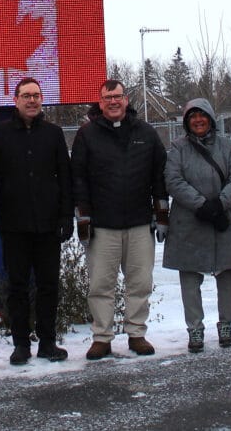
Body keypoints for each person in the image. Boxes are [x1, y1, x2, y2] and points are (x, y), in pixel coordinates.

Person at [71, 79, 169, 360]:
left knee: (139, 283)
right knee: (100, 285)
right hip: (102, 226)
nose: (113, 102)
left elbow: (159, 178)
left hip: (139, 223)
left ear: (126, 100)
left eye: (118, 96)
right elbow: (78, 179)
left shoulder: (147, 134)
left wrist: (161, 215)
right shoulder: (86, 135)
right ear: (100, 103)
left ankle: (137, 333)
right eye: (107, 98)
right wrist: (83, 217)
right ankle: (102, 337)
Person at [0, 77, 73, 365]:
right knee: (18, 287)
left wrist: (65, 215)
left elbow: (65, 178)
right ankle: (20, 344)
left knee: (49, 286)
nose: (32, 100)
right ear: (16, 99)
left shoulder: (54, 133)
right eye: (26, 95)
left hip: (48, 225)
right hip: (14, 225)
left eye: (36, 95)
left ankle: (47, 342)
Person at [163, 98, 231, 353]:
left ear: (211, 118)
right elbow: (173, 180)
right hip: (189, 220)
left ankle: (226, 324)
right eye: (192, 116)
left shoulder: (229, 147)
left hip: (222, 220)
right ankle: (195, 328)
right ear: (187, 122)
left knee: (226, 274)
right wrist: (201, 205)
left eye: (202, 116)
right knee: (190, 277)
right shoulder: (178, 148)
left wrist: (219, 204)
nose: (198, 120)